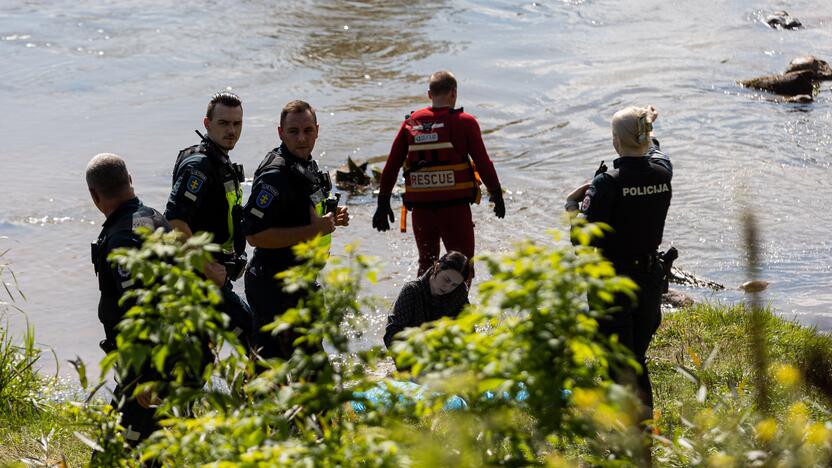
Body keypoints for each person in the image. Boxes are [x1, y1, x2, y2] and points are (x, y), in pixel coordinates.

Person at [566, 105, 672, 428]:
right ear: (647, 136)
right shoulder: (662, 172)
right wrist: (647, 129)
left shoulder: (606, 184)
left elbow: (582, 238)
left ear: (615, 141)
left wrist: (572, 205)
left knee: (619, 364)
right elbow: (656, 153)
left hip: (613, 282)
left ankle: (629, 440)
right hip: (650, 281)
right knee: (636, 360)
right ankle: (643, 439)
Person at [243, 100, 350, 360]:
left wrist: (333, 219)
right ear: (280, 132)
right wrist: (315, 229)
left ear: (317, 130)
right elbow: (254, 235)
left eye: (308, 130)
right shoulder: (274, 175)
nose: (302, 138)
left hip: (303, 281)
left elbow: (305, 217)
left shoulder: (306, 166)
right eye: (293, 131)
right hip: (273, 285)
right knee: (270, 372)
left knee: (312, 366)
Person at [372, 70, 505, 278]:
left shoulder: (411, 123)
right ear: (454, 93)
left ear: (429, 94)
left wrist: (383, 202)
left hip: (422, 212)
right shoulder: (464, 122)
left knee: (426, 264)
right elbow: (483, 163)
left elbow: (391, 166)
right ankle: (458, 309)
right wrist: (496, 194)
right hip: (455, 210)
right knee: (462, 265)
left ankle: (422, 307)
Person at [87, 153, 170, 446]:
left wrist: (147, 376)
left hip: (146, 366)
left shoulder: (122, 238)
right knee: (151, 448)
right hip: (171, 357)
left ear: (94, 195)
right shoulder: (156, 219)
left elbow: (142, 310)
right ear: (130, 180)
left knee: (114, 451)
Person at [165, 91, 253, 349]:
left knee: (200, 356)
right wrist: (208, 267)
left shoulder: (219, 160)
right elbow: (175, 222)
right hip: (200, 280)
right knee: (253, 338)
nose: (231, 131)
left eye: (237, 124)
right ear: (207, 124)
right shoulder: (199, 166)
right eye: (224, 123)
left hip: (213, 277)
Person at [383, 251, 470, 348]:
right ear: (437, 267)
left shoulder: (459, 293)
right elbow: (392, 332)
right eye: (447, 279)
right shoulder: (412, 290)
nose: (448, 287)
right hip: (412, 351)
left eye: (454, 284)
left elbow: (469, 332)